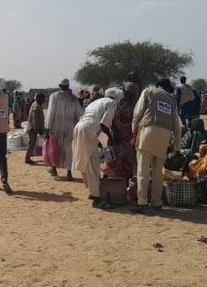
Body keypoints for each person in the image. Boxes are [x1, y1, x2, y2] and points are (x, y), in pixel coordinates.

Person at [131, 79, 181, 213]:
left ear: (158, 85)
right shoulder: (172, 99)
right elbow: (177, 125)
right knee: (158, 172)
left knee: (143, 170)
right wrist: (176, 147)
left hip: (148, 130)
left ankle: (142, 202)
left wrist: (134, 128)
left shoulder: (148, 91)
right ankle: (156, 202)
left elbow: (138, 111)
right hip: (165, 134)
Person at [72, 87, 122, 207]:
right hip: (88, 129)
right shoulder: (112, 103)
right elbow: (104, 124)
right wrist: (111, 137)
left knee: (84, 159)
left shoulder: (97, 102)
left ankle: (91, 189)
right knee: (93, 163)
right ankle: (96, 197)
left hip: (79, 127)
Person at [46, 79, 83, 179]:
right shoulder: (73, 98)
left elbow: (50, 113)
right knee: (68, 149)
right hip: (70, 126)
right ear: (68, 87)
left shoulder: (54, 96)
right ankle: (69, 172)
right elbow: (80, 114)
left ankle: (54, 168)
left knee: (54, 147)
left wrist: (47, 128)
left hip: (56, 126)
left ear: (60, 86)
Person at [103, 83, 138, 179]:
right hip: (120, 142)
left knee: (115, 165)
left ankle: (109, 186)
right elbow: (104, 124)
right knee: (115, 166)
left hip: (121, 142)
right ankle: (108, 186)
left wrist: (112, 135)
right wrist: (112, 136)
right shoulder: (117, 104)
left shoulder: (119, 104)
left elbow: (104, 123)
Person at [24, 93, 46, 164]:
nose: (44, 100)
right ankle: (27, 159)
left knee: (32, 144)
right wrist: (38, 130)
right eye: (43, 99)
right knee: (32, 144)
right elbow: (35, 120)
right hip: (32, 129)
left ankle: (28, 158)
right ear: (39, 99)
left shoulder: (37, 105)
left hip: (34, 128)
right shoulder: (36, 106)